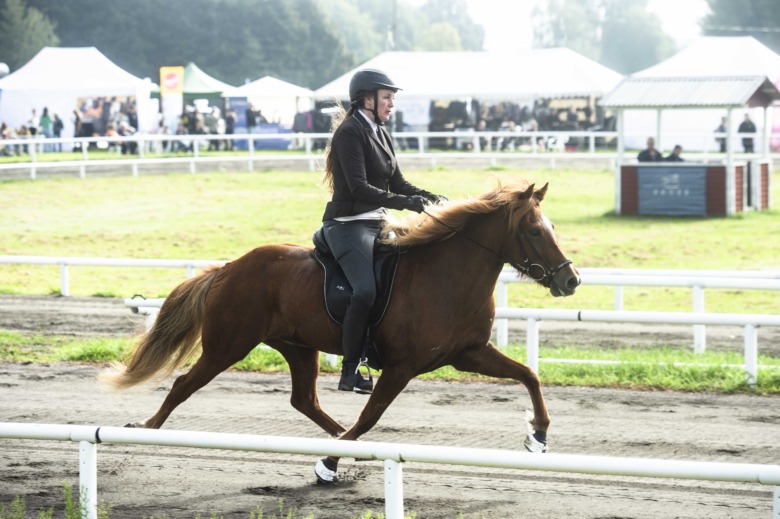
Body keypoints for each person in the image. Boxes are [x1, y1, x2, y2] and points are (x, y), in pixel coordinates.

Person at [320, 69, 447, 394]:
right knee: (364, 290)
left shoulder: (379, 131)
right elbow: (360, 187)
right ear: (367, 99)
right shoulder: (349, 133)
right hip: (348, 225)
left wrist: (432, 198)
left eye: (392, 98)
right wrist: (407, 203)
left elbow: (398, 182)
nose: (392, 104)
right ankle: (351, 369)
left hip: (377, 222)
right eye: (387, 97)